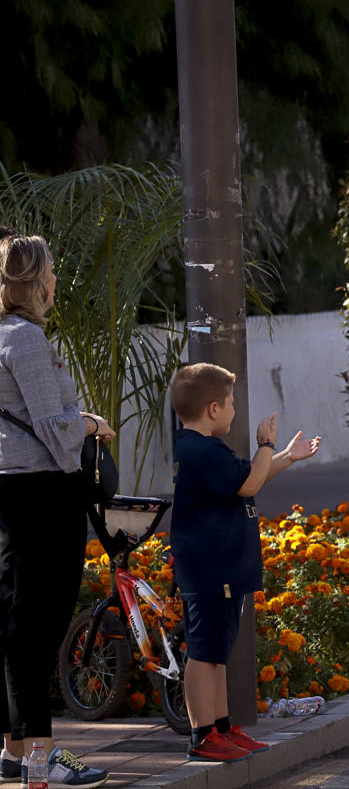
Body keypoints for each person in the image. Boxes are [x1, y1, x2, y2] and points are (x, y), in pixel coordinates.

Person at [0, 234, 115, 788]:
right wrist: (90, 423)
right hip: (42, 493)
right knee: (38, 624)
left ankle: (15, 750)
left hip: (11, 492)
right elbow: (52, 426)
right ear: (37, 279)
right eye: (51, 270)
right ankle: (42, 758)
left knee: (15, 618)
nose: (55, 281)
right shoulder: (24, 339)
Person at [169, 363, 321, 761]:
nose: (236, 409)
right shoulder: (199, 450)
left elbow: (248, 478)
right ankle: (202, 735)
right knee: (203, 652)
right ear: (213, 408)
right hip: (209, 567)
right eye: (232, 402)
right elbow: (251, 480)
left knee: (217, 649)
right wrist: (266, 444)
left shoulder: (205, 449)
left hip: (222, 567)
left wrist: (285, 455)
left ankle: (220, 727)